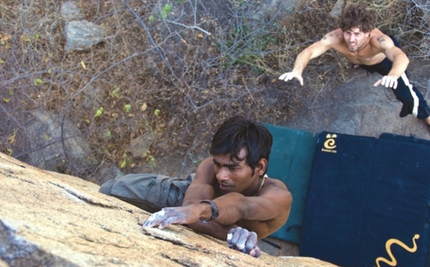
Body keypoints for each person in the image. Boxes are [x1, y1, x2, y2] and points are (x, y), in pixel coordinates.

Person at [100, 116, 292, 258]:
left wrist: (202, 215)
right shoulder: (210, 169)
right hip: (187, 197)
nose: (221, 175)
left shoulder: (277, 197)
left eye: (233, 167)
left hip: (203, 213)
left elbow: (241, 205)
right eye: (219, 164)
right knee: (110, 189)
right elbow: (190, 209)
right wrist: (228, 231)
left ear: (259, 167)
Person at [278, 3, 430, 130]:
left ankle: (427, 117)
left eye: (357, 34)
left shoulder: (379, 41)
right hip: (363, 61)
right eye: (348, 33)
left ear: (367, 33)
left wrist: (393, 75)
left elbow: (401, 57)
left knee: (408, 96)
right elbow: (309, 51)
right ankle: (360, 63)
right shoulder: (335, 38)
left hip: (384, 62)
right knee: (357, 57)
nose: (351, 39)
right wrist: (297, 70)